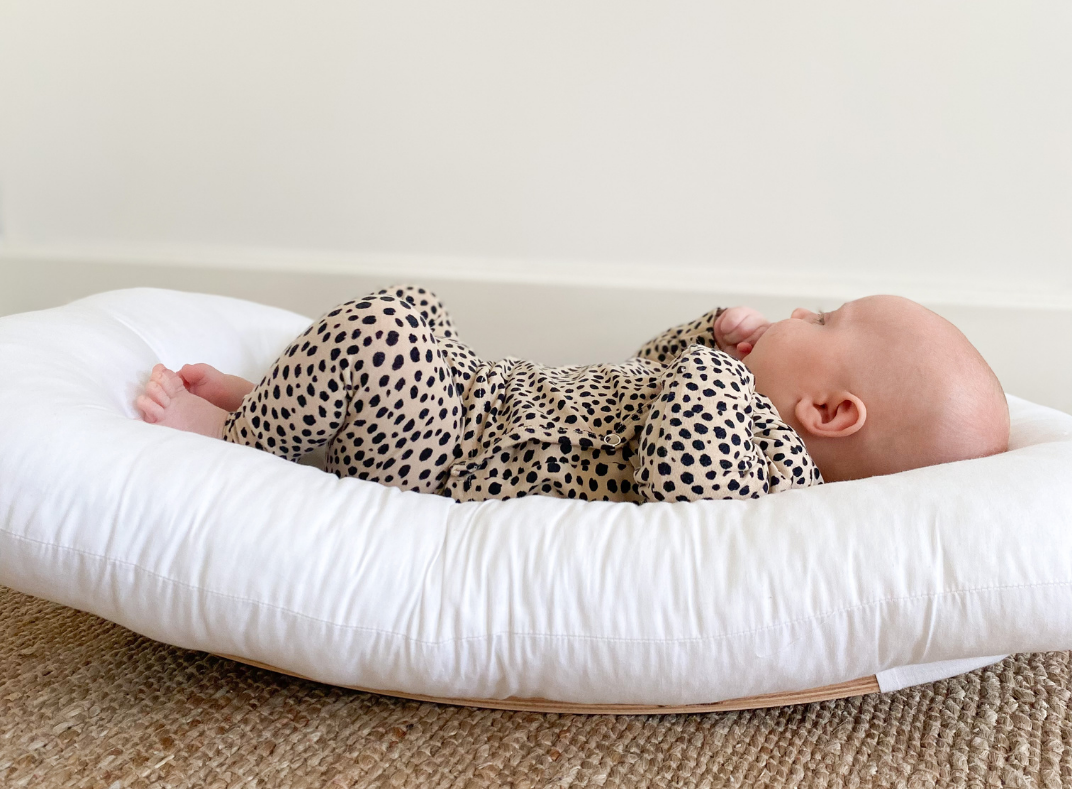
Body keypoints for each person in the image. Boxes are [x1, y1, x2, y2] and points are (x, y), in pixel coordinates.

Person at [135, 285, 1010, 502]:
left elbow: (680, 473)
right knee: (420, 319)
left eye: (820, 321)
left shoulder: (771, 470)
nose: (795, 312)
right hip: (484, 392)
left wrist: (723, 367)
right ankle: (282, 410)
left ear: (826, 413)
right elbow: (644, 366)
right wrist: (709, 333)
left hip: (454, 457)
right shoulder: (726, 388)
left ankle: (238, 448)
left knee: (387, 330)